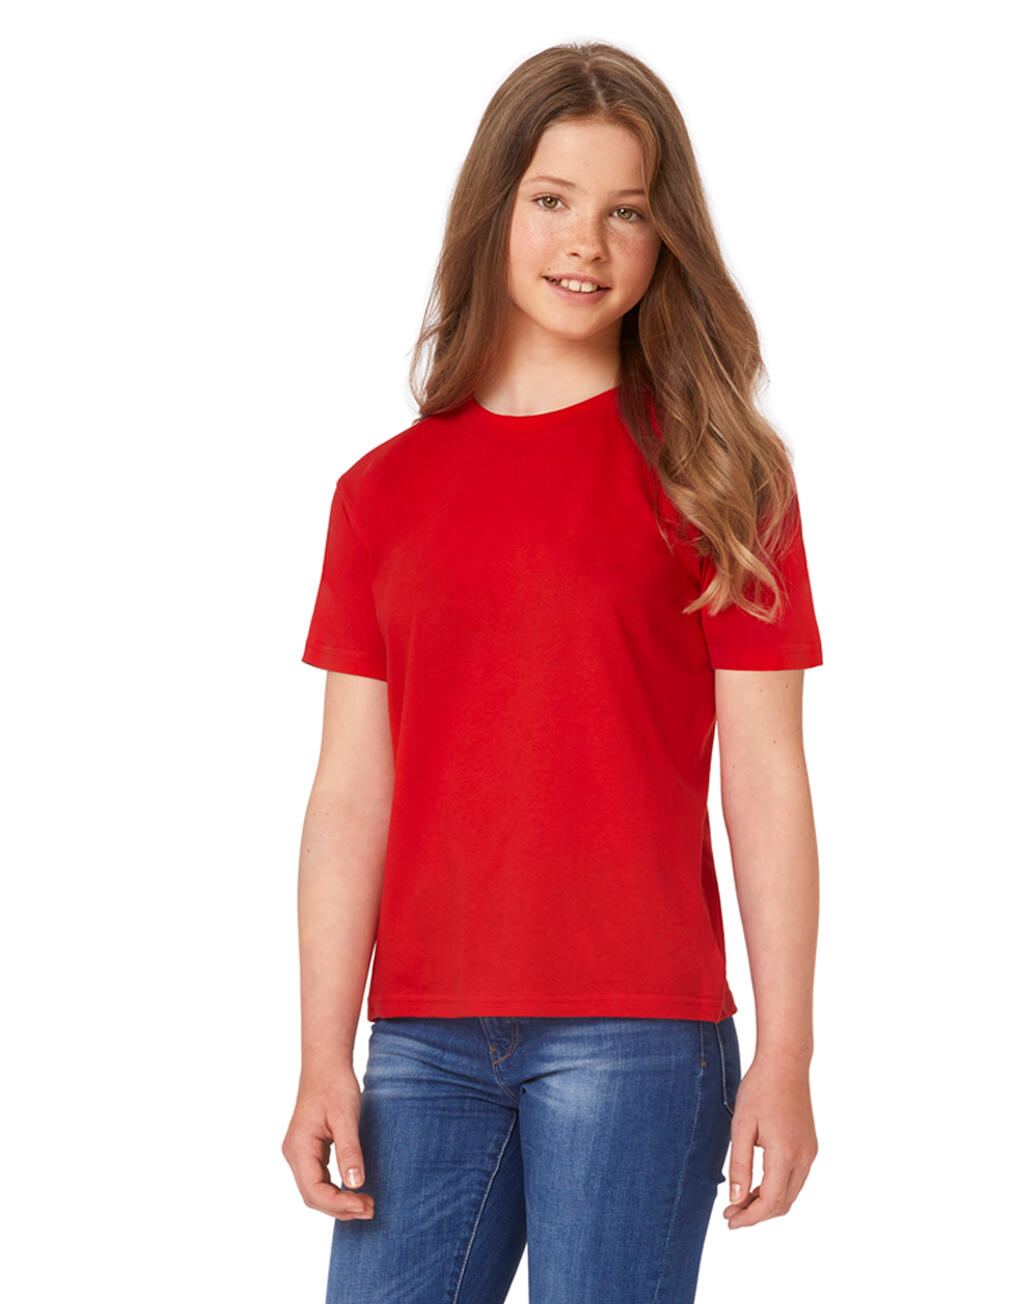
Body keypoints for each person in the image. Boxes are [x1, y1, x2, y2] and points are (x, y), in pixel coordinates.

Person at [282, 40, 823, 1304]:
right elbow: (351, 789)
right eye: (552, 199)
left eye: (626, 210)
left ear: (664, 236)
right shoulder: (380, 494)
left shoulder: (720, 477)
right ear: (494, 212)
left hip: (640, 1033)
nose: (586, 241)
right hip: (420, 1039)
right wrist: (321, 1050)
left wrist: (786, 1049)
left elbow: (765, 778)